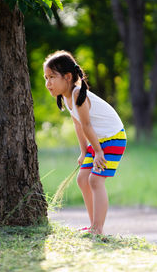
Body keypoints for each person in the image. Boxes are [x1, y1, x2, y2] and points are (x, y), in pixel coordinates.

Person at [43, 50, 127, 235]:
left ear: (67, 77)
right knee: (83, 179)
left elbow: (87, 125)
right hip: (97, 141)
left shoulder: (76, 94)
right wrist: (84, 151)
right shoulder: (66, 97)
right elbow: (78, 125)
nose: (48, 83)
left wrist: (97, 152)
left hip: (113, 138)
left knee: (95, 180)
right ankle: (93, 226)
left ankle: (98, 229)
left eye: (51, 77)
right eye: (46, 78)